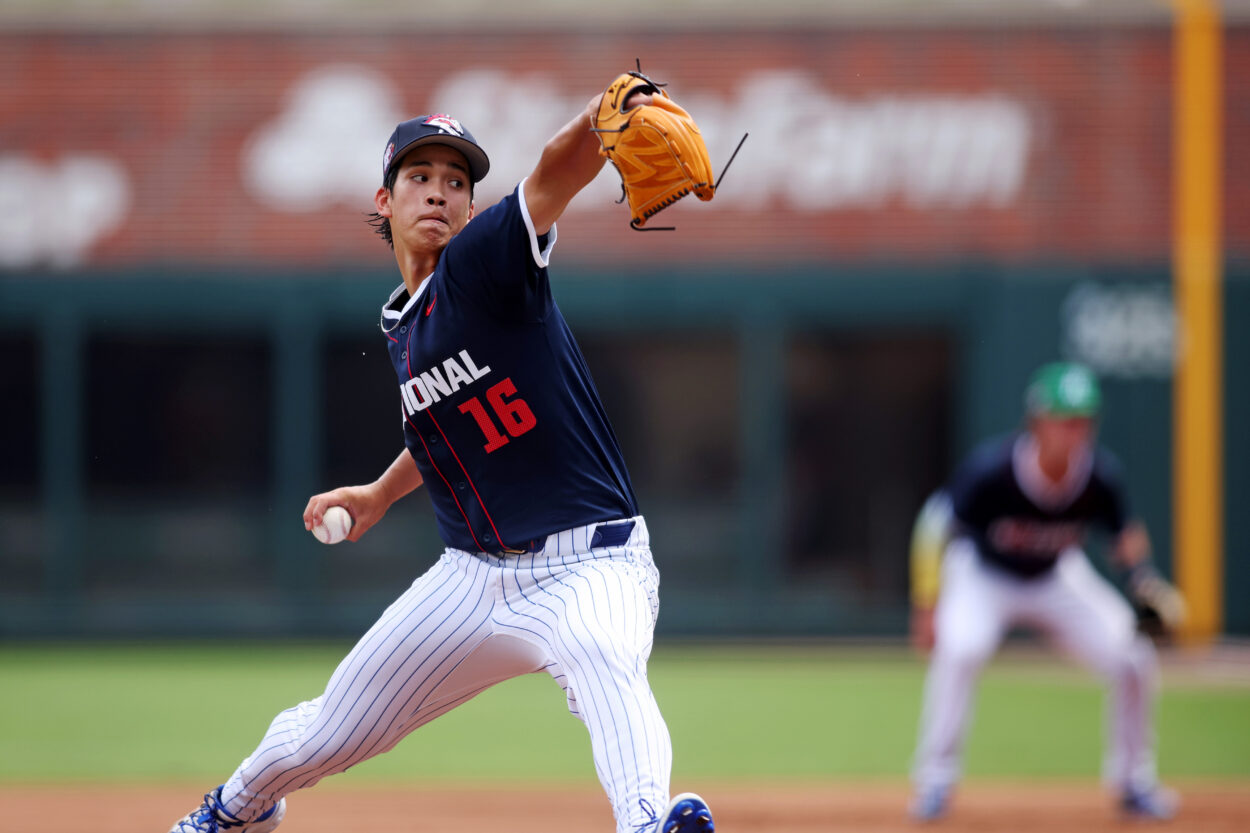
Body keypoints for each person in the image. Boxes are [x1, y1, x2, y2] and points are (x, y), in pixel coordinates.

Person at [169, 87, 715, 833]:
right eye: (420, 176)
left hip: (591, 564)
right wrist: (377, 493)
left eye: (456, 181)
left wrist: (599, 116)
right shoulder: (402, 318)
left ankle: (649, 822)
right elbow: (445, 428)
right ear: (384, 199)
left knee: (603, 660)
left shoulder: (485, 264)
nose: (440, 192)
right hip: (472, 576)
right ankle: (235, 809)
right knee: (332, 729)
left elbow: (555, 172)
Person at [907, 362, 1180, 822]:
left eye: (1084, 421)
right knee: (960, 649)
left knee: (1134, 657)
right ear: (1038, 422)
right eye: (1065, 420)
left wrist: (1144, 582)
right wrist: (927, 605)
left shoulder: (1099, 477)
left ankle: (1134, 783)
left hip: (1056, 577)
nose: (1076, 431)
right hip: (983, 576)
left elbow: (1124, 535)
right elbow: (935, 525)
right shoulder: (992, 471)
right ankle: (935, 783)